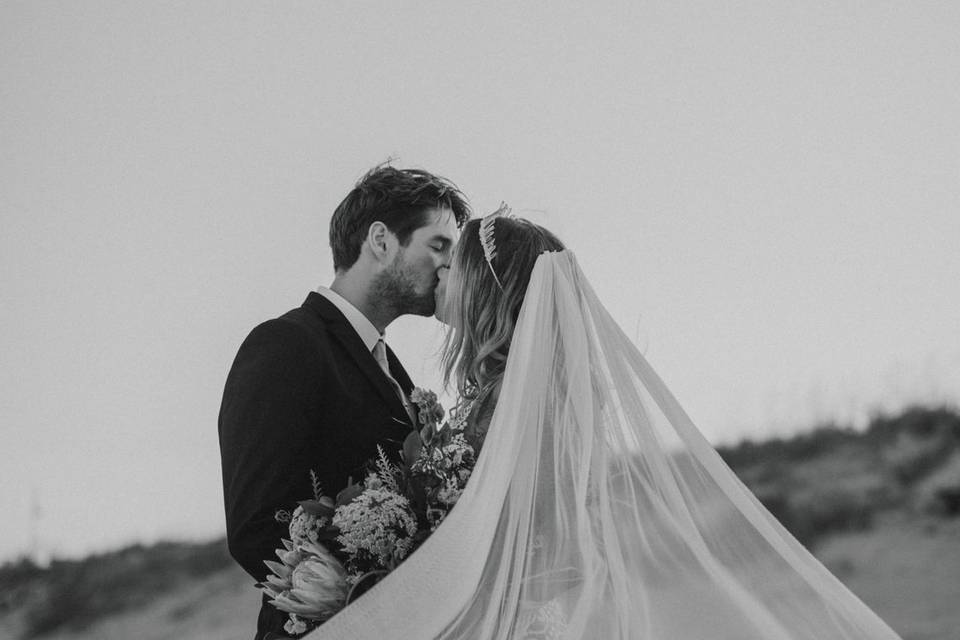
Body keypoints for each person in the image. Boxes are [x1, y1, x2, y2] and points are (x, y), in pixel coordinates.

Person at [306, 209, 903, 639]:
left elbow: (520, 535)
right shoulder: (503, 393)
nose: (439, 276)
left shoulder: (515, 403)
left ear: (488, 288)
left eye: (452, 265)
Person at [218, 165, 470, 640]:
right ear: (380, 240)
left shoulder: (394, 370)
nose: (448, 266)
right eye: (437, 245)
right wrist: (366, 605)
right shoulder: (285, 345)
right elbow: (255, 526)